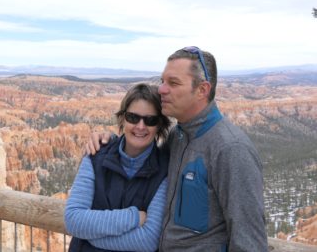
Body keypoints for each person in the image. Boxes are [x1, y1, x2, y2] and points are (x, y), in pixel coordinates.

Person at [86, 46, 269, 252]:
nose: (162, 89)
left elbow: (250, 242)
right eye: (163, 81)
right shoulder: (177, 136)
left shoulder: (231, 149)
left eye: (173, 83)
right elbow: (143, 156)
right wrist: (110, 141)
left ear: (202, 90)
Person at [64, 83, 171, 252]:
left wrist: (90, 236)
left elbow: (148, 241)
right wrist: (134, 217)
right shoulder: (95, 155)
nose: (140, 126)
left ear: (159, 126)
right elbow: (73, 219)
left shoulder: (165, 170)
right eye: (133, 117)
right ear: (122, 119)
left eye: (150, 120)